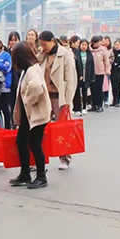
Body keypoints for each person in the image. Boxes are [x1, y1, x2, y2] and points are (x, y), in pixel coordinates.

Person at [9, 42, 51, 189]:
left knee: (34, 144)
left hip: (37, 115)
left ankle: (41, 176)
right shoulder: (29, 69)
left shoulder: (32, 70)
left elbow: (36, 87)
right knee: (21, 141)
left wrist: (28, 100)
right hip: (30, 115)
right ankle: (25, 173)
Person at [37, 31, 77, 170]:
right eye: (40, 45)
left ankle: (65, 158)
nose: (43, 47)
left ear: (53, 41)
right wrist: (41, 53)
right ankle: (40, 157)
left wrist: (68, 101)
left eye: (45, 44)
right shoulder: (43, 55)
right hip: (45, 96)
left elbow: (71, 79)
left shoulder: (65, 54)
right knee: (40, 127)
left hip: (59, 97)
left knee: (62, 129)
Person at [89, 36, 111, 113]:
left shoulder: (103, 50)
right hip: (91, 72)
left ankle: (100, 105)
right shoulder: (89, 50)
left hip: (100, 72)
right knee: (92, 89)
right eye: (97, 42)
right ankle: (93, 105)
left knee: (99, 89)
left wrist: (107, 70)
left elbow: (106, 61)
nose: (99, 43)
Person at [69, 36, 84, 116]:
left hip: (77, 73)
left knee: (77, 91)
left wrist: (81, 74)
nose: (78, 44)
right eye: (77, 42)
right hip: (71, 73)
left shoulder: (77, 51)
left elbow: (80, 63)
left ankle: (77, 108)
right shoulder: (69, 50)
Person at [79, 39, 94, 113]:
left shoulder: (89, 54)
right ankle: (78, 107)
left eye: (85, 45)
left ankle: (84, 106)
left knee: (85, 90)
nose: (84, 47)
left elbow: (92, 65)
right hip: (79, 74)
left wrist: (92, 76)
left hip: (87, 74)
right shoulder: (77, 53)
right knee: (79, 91)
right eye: (82, 45)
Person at [102, 36, 113, 107]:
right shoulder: (100, 49)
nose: (106, 42)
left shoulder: (111, 50)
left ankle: (106, 100)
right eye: (104, 41)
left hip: (108, 70)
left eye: (107, 41)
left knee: (106, 86)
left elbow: (113, 58)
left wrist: (108, 60)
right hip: (100, 69)